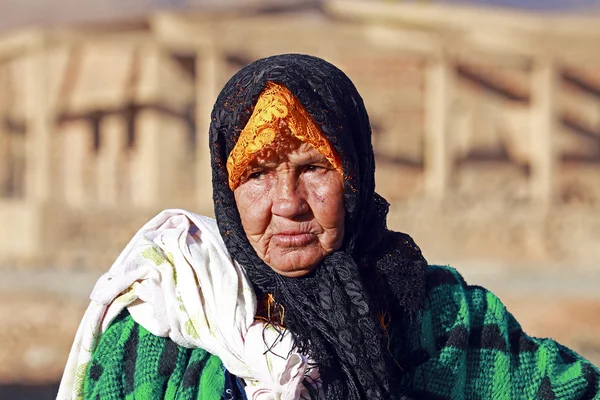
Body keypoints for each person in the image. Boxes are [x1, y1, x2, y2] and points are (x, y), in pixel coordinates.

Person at [58, 54, 600, 400]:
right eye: (256, 175)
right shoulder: (160, 332)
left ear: (357, 175)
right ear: (226, 191)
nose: (288, 203)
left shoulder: (444, 320)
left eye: (314, 167)